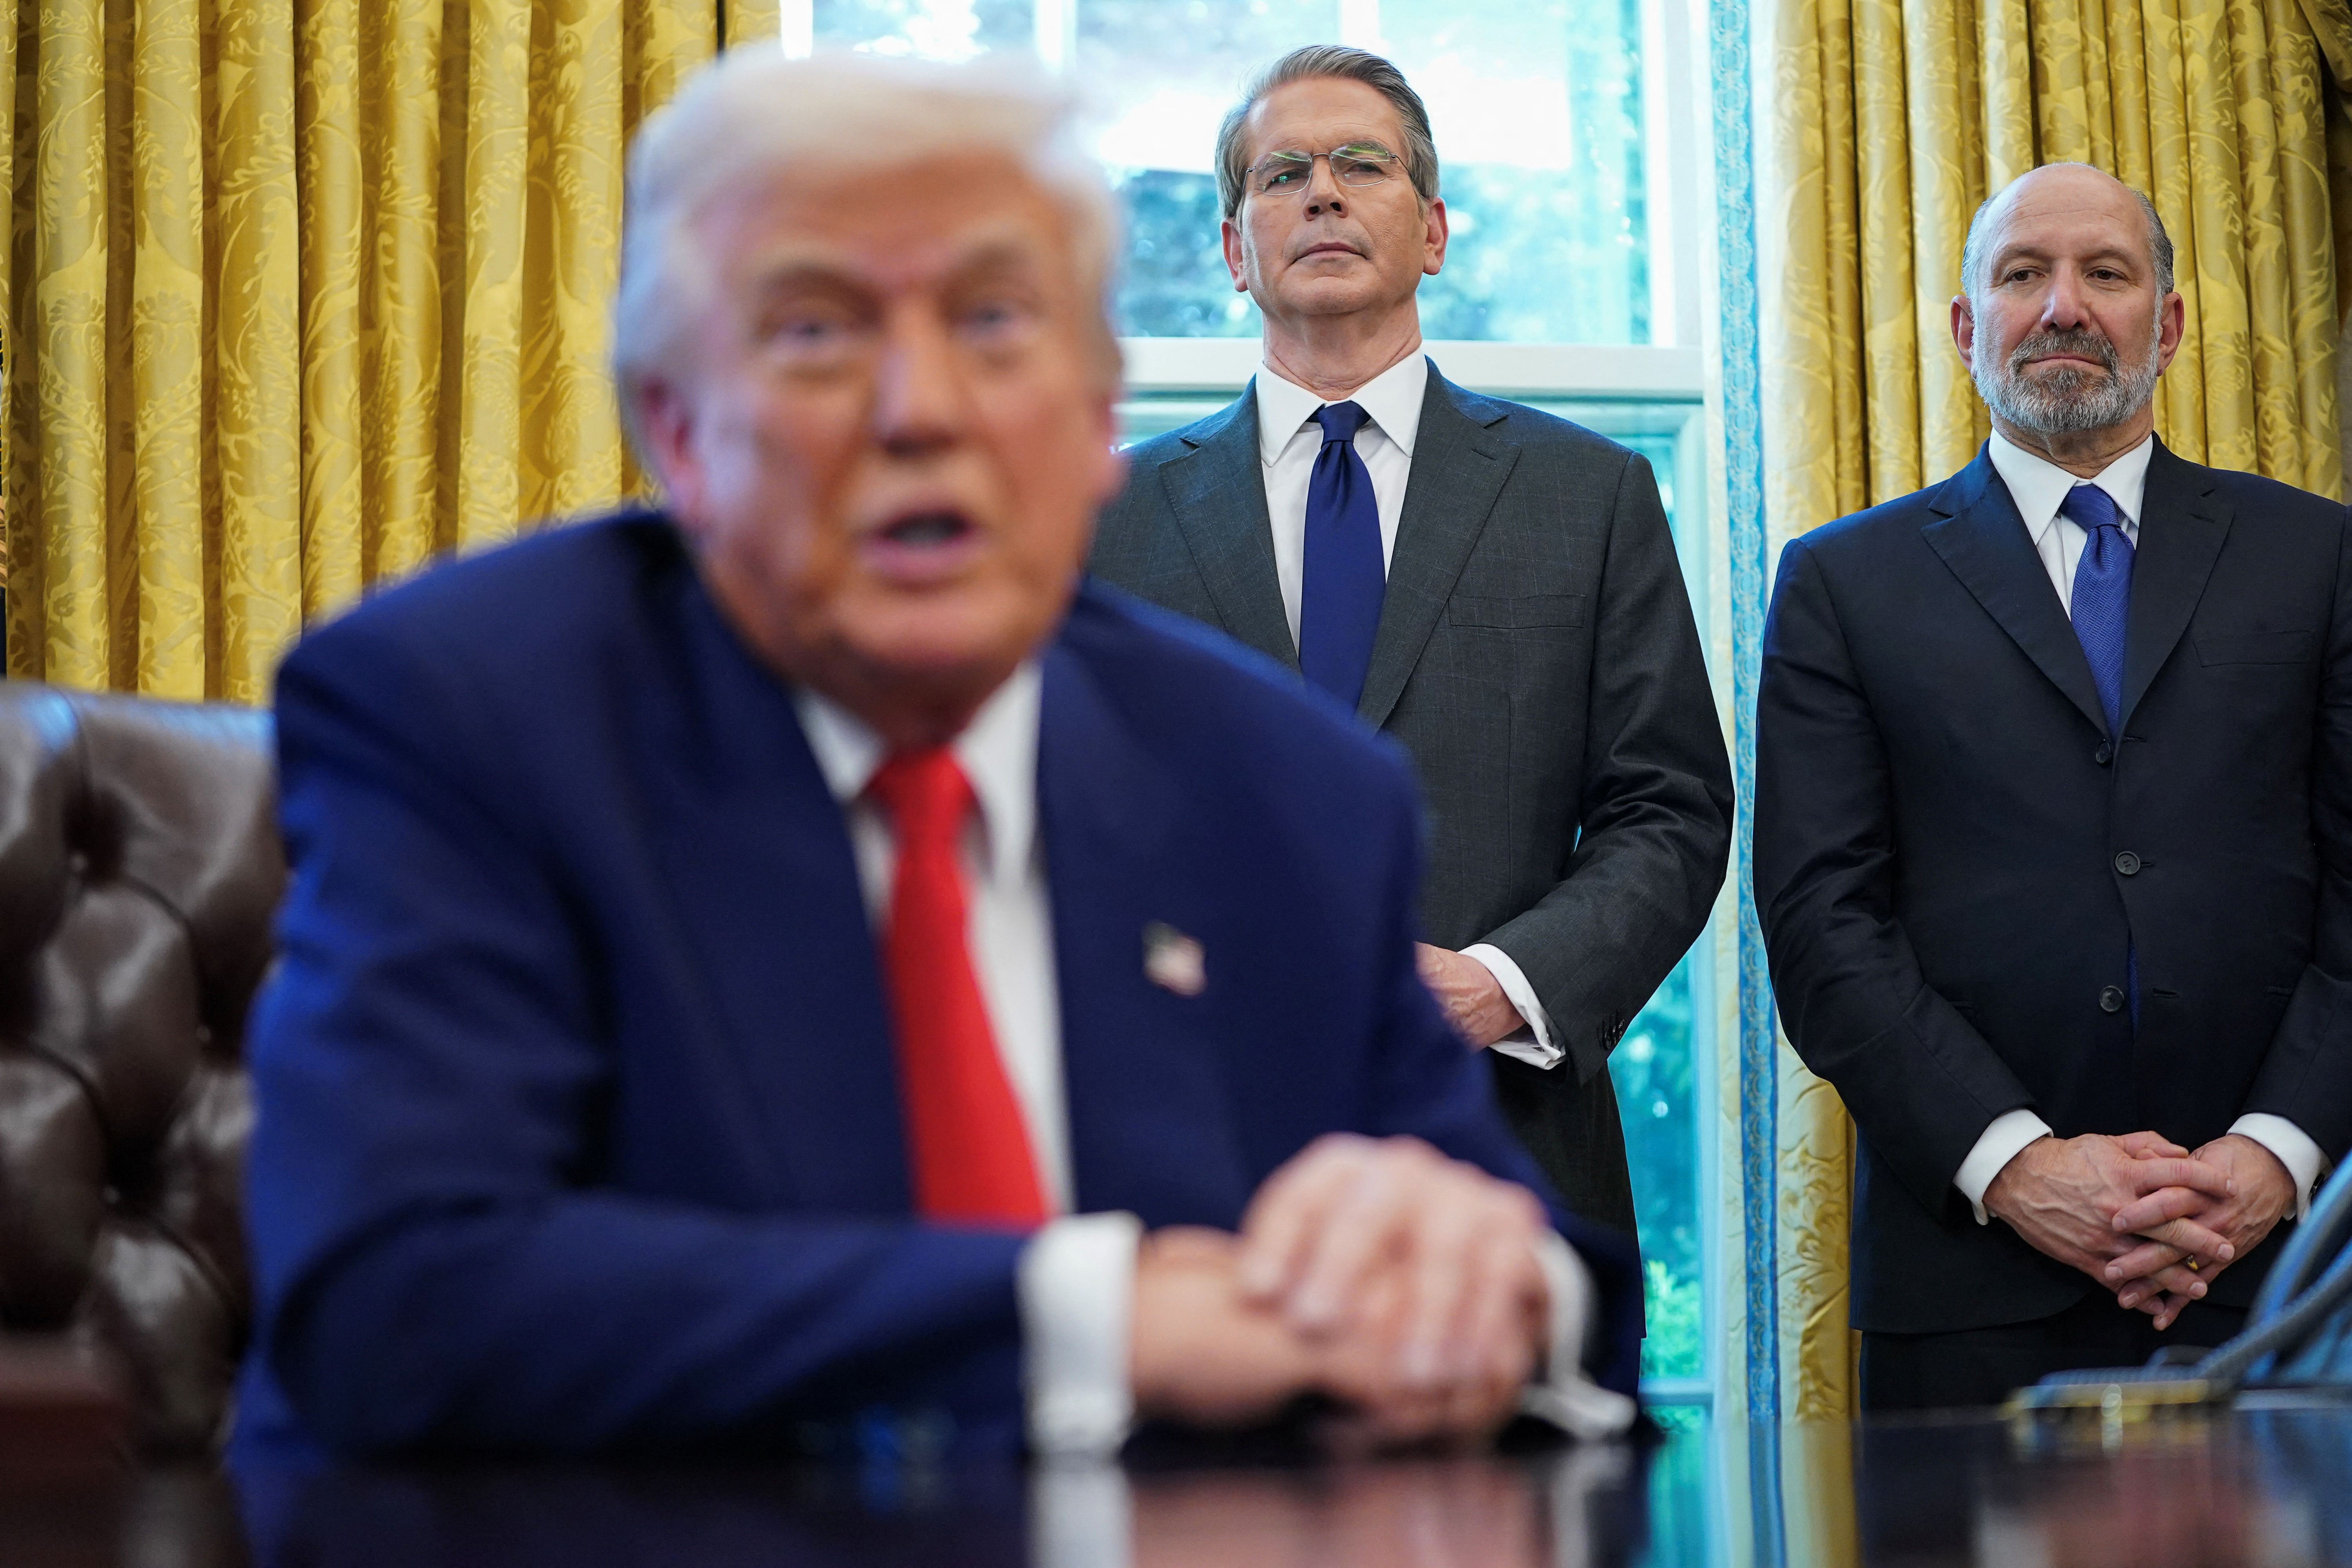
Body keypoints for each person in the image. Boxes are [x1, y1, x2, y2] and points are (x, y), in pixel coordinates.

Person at [233, 48, 1642, 1459]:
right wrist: (1083, 1313)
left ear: (1096, 422)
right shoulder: (467, 713)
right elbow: (393, 1295)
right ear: (676, 428)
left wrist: (1488, 1284)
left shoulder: (1283, 791)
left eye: (994, 323)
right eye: (816, 333)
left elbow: (1521, 1276)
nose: (923, 409)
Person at [1088, 47, 1731, 1240]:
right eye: (1282, 174)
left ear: (1433, 231)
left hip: (1511, 1167)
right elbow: (1063, 829)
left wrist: (1503, 987)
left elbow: (1671, 810)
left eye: (1361, 164)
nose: (1322, 192)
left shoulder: (1587, 498)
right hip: (1190, 1187)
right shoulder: (1105, 524)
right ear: (1234, 252)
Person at [1754, 161, 2352, 1411]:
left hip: (2285, 1278)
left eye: (2108, 274)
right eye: (2023, 274)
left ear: (2170, 323)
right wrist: (2019, 1168)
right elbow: (1823, 929)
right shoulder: (1842, 585)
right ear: (1968, 326)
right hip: (1972, 1276)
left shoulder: (2320, 556)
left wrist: (2270, 1158)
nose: (2064, 306)